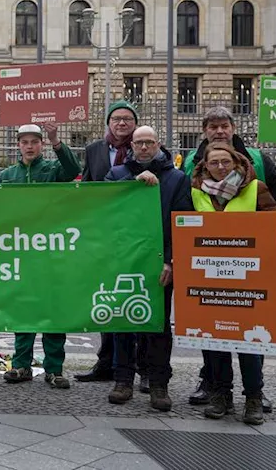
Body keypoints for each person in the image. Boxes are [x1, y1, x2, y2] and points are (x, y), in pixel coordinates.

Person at [182, 106, 276, 409]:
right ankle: (213, 386)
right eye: (213, 127)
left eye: (224, 125)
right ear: (204, 132)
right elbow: (180, 214)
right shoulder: (190, 167)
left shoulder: (257, 165)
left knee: (251, 334)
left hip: (251, 269)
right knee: (211, 335)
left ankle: (254, 392)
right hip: (207, 271)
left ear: (233, 128)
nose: (219, 131)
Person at [104, 125, 192, 411]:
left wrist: (171, 259)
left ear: (158, 145)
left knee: (158, 326)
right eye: (139, 143)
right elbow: (104, 212)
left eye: (149, 143)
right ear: (131, 145)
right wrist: (132, 183)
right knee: (123, 324)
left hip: (160, 265)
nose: (143, 148)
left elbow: (182, 222)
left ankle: (158, 383)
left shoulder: (177, 179)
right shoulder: (117, 175)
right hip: (125, 262)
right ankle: (123, 380)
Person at [0, 122, 80, 389]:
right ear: (18, 145)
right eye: (25, 142)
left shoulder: (53, 170)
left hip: (50, 249)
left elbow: (73, 170)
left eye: (35, 141)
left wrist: (58, 141)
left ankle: (54, 368)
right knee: (23, 307)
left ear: (41, 145)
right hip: (20, 250)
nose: (30, 146)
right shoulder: (7, 175)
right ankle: (21, 365)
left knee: (53, 307)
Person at [77, 101, 139, 384]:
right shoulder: (94, 150)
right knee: (106, 297)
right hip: (103, 234)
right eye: (117, 118)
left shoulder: (147, 148)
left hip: (135, 234)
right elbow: (88, 188)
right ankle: (106, 364)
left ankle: (137, 367)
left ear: (135, 124)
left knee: (134, 304)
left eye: (127, 119)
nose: (122, 123)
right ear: (109, 123)